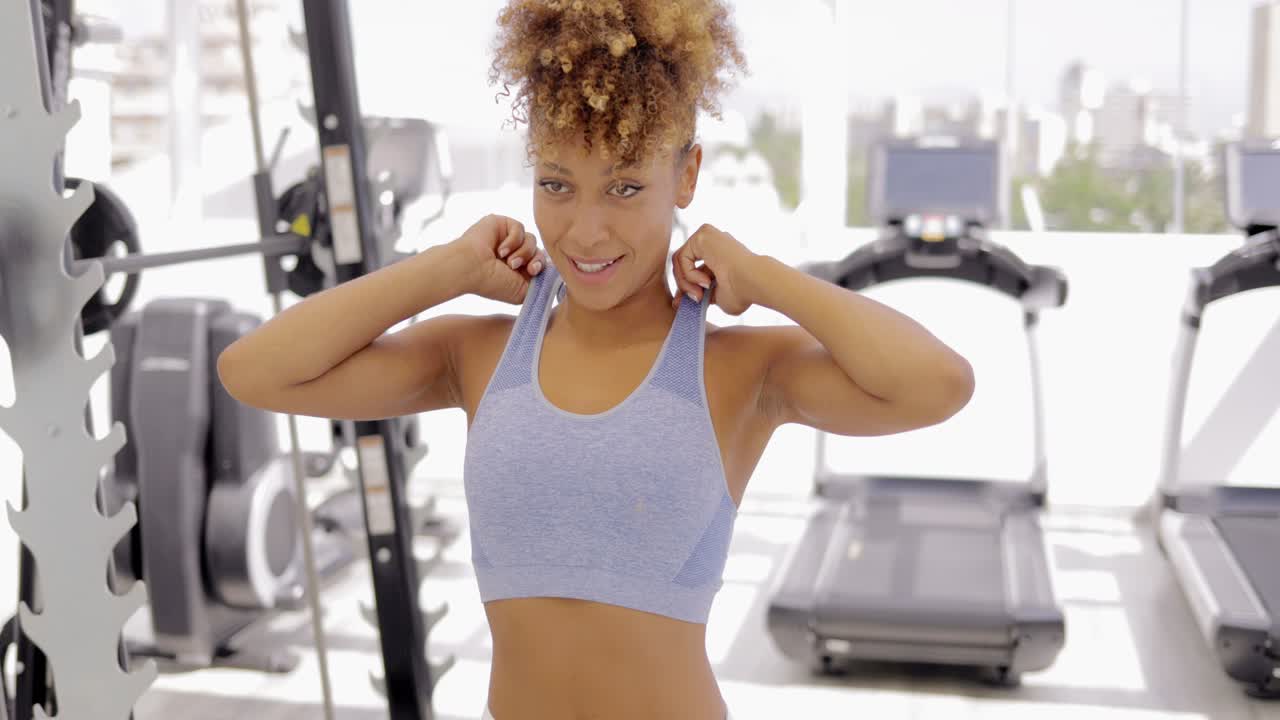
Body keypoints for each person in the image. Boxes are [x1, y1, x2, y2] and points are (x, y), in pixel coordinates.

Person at [217, 1, 976, 718]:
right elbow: (255, 371)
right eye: (556, 184)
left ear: (686, 176)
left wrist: (770, 278)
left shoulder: (738, 371)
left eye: (624, 186)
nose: (584, 230)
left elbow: (940, 386)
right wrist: (447, 267)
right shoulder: (477, 355)